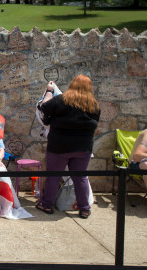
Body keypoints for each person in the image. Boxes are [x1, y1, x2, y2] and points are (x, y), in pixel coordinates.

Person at [36, 75, 100, 219]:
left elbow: (44, 107)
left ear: (72, 84)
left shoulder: (62, 100)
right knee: (81, 178)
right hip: (83, 148)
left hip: (59, 146)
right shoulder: (94, 105)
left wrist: (49, 91)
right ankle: (84, 208)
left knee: (53, 175)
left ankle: (46, 204)